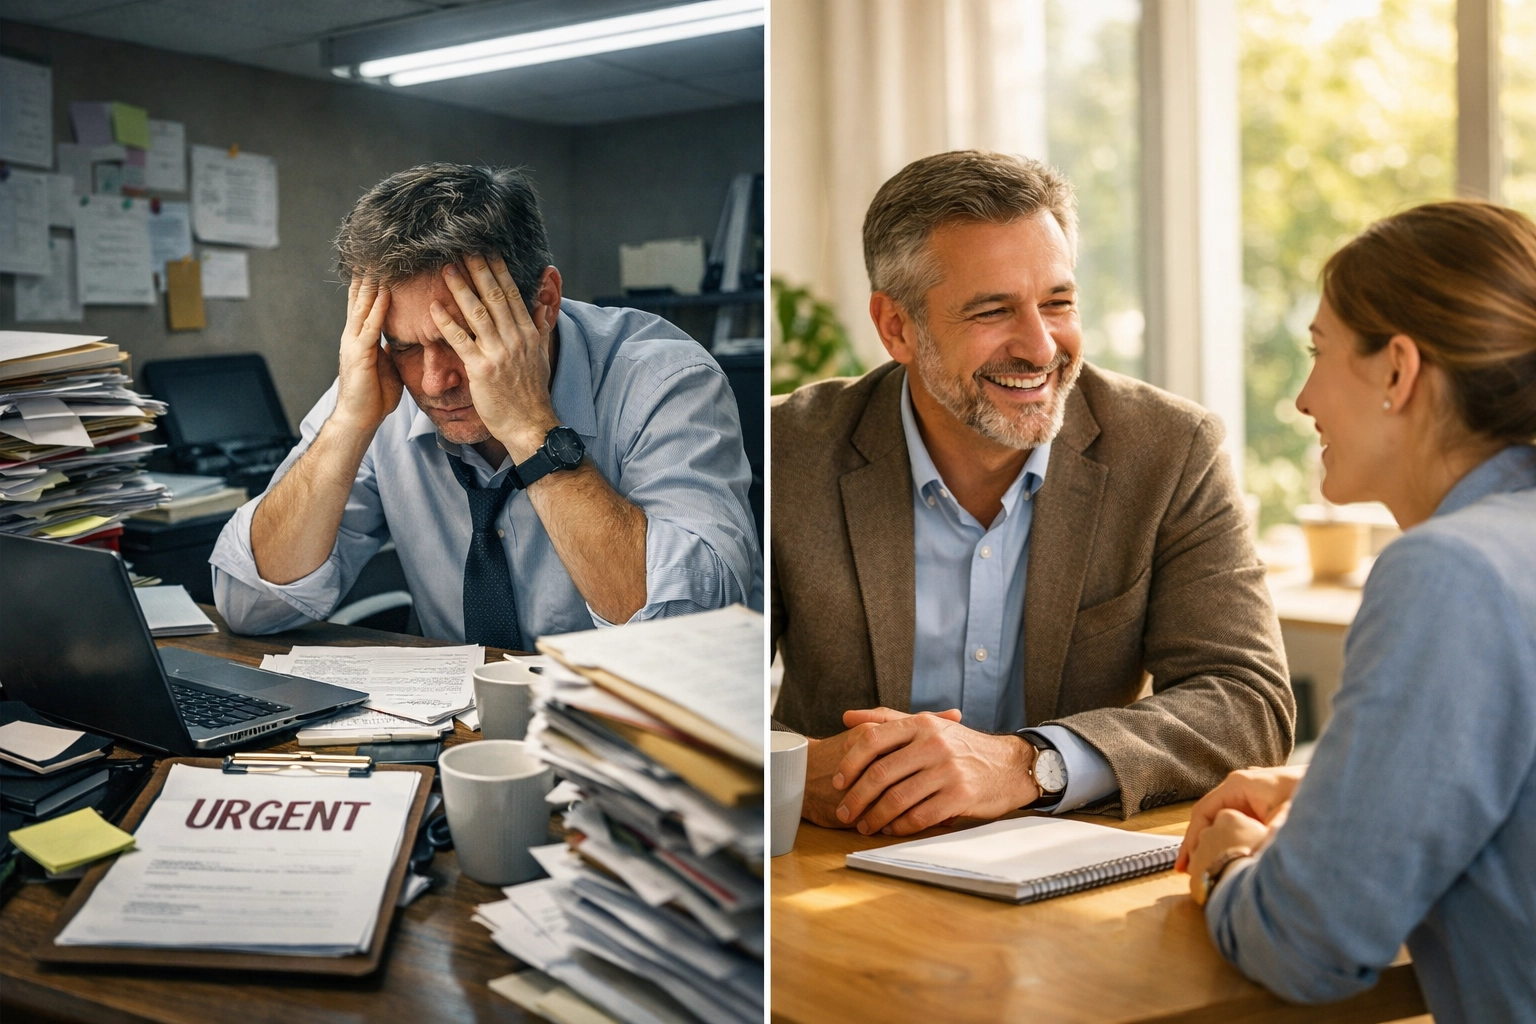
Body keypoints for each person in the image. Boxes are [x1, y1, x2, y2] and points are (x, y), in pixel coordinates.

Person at [771, 150, 1294, 836]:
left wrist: (1028, 765)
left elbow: (1246, 701)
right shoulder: (788, 451)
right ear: (896, 327)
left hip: (1072, 867)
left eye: (1058, 303)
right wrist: (797, 769)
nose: (1041, 347)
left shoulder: (1170, 450)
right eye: (993, 311)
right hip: (837, 868)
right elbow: (678, 695)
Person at [1179, 201, 1536, 1024]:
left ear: (1397, 371)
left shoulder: (1449, 572)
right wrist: (1333, 784)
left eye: (1319, 352)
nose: (1304, 398)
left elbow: (1307, 939)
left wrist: (1229, 866)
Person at [212, 163, 758, 645]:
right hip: (459, 739)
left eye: (463, 340)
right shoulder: (381, 388)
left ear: (543, 301)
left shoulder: (664, 379)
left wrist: (531, 430)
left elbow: (691, 631)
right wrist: (349, 425)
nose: (433, 382)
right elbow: (247, 607)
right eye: (403, 346)